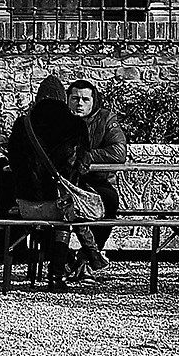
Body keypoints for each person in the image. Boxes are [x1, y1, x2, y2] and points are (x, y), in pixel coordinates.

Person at [6, 75, 89, 289]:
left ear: (38, 97)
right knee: (64, 215)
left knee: (47, 218)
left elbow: (13, 162)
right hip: (58, 206)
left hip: (27, 206)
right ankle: (56, 278)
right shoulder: (77, 124)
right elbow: (82, 166)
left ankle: (48, 269)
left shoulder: (22, 123)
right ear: (63, 97)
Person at [65, 79, 129, 269]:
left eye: (85, 99)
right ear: (68, 99)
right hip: (64, 181)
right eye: (75, 98)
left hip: (95, 180)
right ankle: (64, 260)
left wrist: (85, 155)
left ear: (94, 101)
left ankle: (84, 258)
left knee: (109, 201)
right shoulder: (59, 119)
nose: (79, 103)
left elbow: (118, 153)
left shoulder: (106, 119)